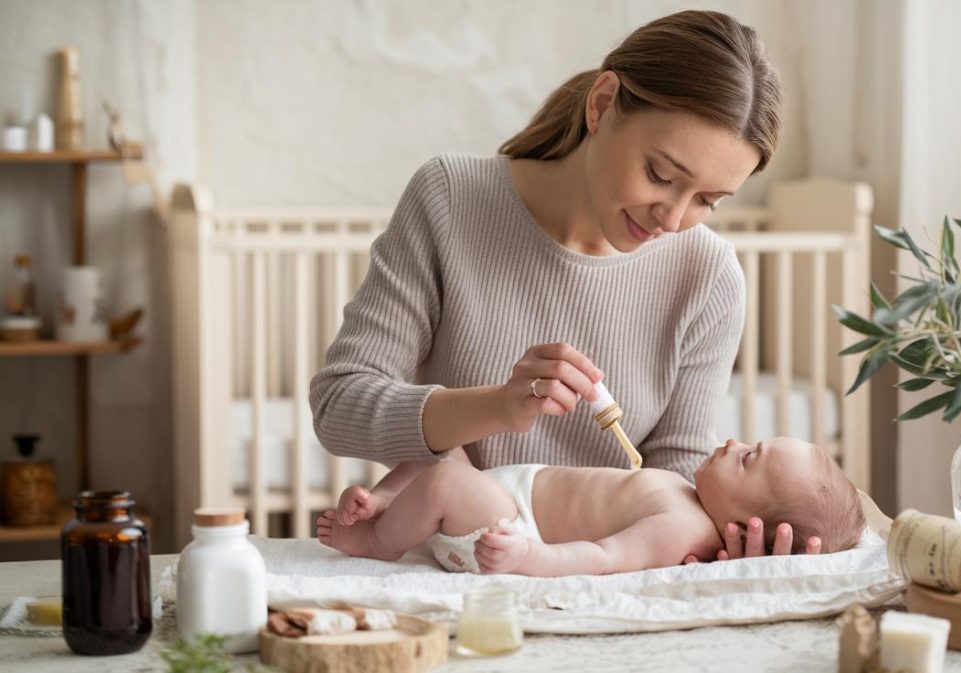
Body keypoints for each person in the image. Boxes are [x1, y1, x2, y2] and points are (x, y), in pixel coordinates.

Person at [309, 10, 798, 558]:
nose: (672, 217)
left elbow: (674, 476)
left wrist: (726, 544)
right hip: (453, 568)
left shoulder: (708, 278)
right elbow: (339, 404)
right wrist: (497, 407)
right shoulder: (451, 199)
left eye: (707, 201)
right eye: (661, 175)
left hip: (597, 584)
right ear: (602, 103)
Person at [316, 438, 865, 575]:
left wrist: (530, 557)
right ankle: (383, 501)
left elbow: (605, 558)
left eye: (747, 460)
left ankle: (372, 541)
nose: (731, 443)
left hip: (510, 528)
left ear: (743, 525)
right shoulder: (688, 493)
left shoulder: (684, 527)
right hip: (501, 491)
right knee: (440, 452)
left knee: (443, 482)